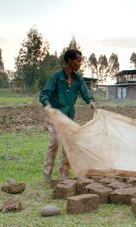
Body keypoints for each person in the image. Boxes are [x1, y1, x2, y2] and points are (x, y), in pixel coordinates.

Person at [39, 49, 95, 183]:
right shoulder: (56, 77)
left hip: (68, 117)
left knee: (68, 145)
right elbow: (44, 94)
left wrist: (91, 101)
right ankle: (47, 174)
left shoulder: (78, 79)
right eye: (78, 60)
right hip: (54, 114)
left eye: (81, 60)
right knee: (55, 143)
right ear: (69, 61)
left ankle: (63, 175)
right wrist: (47, 105)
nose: (80, 63)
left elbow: (85, 92)